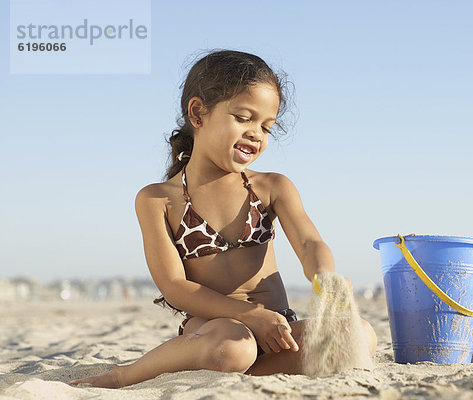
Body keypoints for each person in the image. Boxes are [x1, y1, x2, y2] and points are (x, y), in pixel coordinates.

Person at [69, 49, 377, 389]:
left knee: (360, 334)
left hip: (278, 329)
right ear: (198, 113)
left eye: (266, 126)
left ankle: (249, 375)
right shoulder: (158, 199)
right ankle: (121, 376)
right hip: (216, 331)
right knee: (234, 346)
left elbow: (309, 242)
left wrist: (325, 276)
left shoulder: (272, 186)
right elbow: (175, 286)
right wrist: (248, 316)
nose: (257, 133)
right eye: (244, 118)